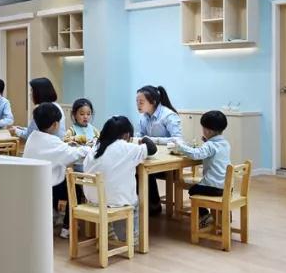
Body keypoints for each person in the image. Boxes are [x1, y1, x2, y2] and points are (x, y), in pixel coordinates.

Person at [22, 101, 91, 239]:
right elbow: (72, 154)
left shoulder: (33, 137)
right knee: (75, 190)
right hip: (46, 185)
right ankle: (67, 227)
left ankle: (56, 215)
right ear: (55, 124)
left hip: (34, 182)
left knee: (62, 182)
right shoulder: (51, 141)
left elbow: (61, 151)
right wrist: (88, 148)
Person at [82, 116, 156, 241]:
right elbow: (152, 148)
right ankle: (133, 239)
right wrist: (143, 139)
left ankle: (109, 231)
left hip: (93, 198)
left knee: (111, 186)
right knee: (136, 202)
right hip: (114, 200)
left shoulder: (95, 147)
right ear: (126, 135)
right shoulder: (127, 148)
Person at [171, 110, 231, 228]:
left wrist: (180, 146)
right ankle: (222, 216)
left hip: (213, 187)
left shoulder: (209, 145)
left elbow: (195, 154)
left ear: (208, 131)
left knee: (193, 190)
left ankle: (205, 215)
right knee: (197, 187)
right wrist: (207, 141)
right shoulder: (225, 143)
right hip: (226, 187)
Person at [136, 85, 182, 214]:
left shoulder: (169, 115)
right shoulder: (144, 117)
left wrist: (153, 140)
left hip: (169, 162)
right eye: (137, 102)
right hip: (152, 158)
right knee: (134, 167)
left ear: (153, 102)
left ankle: (153, 205)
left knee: (144, 170)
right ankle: (142, 205)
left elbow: (178, 140)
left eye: (141, 102)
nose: (138, 105)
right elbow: (140, 136)